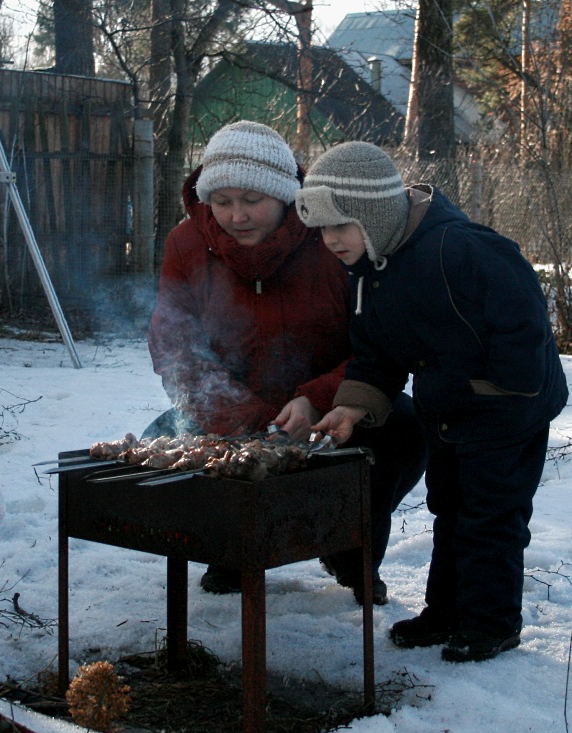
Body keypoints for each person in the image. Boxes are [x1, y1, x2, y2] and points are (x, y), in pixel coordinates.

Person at [295, 141, 569, 662]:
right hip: (448, 411)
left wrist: (502, 387)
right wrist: (352, 406)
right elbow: (375, 354)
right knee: (450, 508)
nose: (329, 241)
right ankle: (446, 613)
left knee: (490, 516)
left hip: (507, 409)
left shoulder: (458, 247)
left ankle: (491, 624)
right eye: (322, 230)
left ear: (375, 213)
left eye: (341, 226)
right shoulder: (370, 269)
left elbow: (524, 315)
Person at [145, 121, 428, 603]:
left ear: (284, 194)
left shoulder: (333, 238)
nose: (237, 216)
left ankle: (351, 546)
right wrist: (245, 419)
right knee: (162, 440)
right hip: (231, 408)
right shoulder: (185, 244)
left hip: (328, 405)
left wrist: (317, 399)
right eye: (223, 201)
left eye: (252, 199)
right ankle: (233, 548)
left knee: (403, 430)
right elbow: (175, 346)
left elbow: (377, 345)